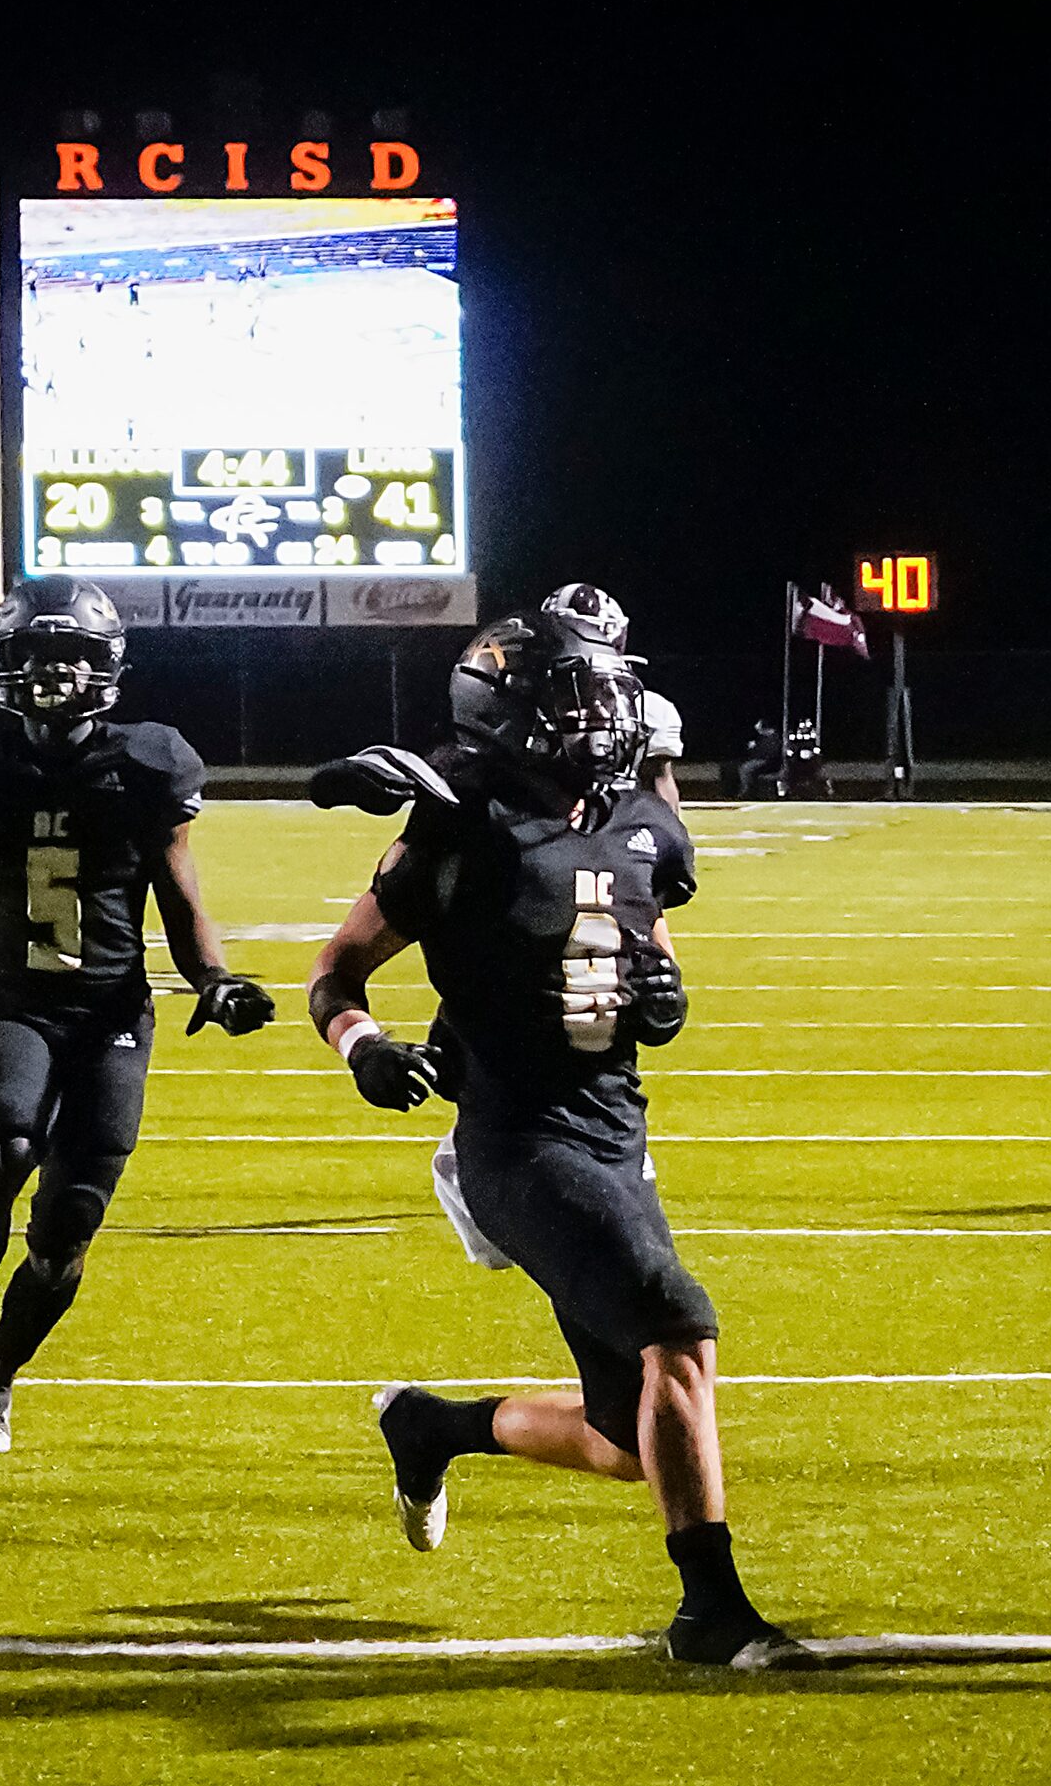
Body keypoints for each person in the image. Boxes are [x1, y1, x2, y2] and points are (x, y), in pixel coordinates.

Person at [306, 584, 810, 1672]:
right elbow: (335, 969)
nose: (604, 718)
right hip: (514, 1141)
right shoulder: (460, 823)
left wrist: (665, 988)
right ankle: (710, 1614)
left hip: (616, 1133)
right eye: (580, 698)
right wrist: (366, 1045)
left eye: (607, 695)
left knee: (632, 1441)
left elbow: (642, 934)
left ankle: (432, 1426)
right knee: (679, 1327)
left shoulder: (641, 822)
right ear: (519, 707)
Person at [0, 578, 272, 1453]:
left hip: (111, 1010)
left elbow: (177, 891)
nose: (54, 674)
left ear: (105, 666)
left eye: (73, 656)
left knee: (65, 1227)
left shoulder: (148, 761)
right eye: (38, 656)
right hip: (21, 1003)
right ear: (7, 663)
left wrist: (215, 981)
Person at [639, 684, 685, 809]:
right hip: (655, 709)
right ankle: (671, 824)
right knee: (662, 774)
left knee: (660, 772)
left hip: (644, 709)